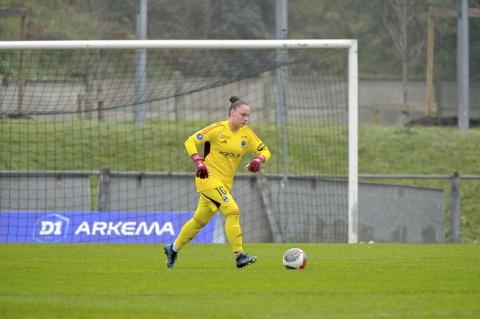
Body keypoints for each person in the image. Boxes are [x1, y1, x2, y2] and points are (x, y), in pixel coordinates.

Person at [164, 96, 271, 269]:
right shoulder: (217, 129)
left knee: (199, 221)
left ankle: (173, 249)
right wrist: (198, 161)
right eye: (243, 114)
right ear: (232, 112)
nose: (246, 118)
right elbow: (190, 141)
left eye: (248, 115)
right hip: (207, 179)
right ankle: (239, 255)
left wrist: (259, 160)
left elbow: (266, 150)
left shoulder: (247, 134)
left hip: (224, 184)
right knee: (233, 210)